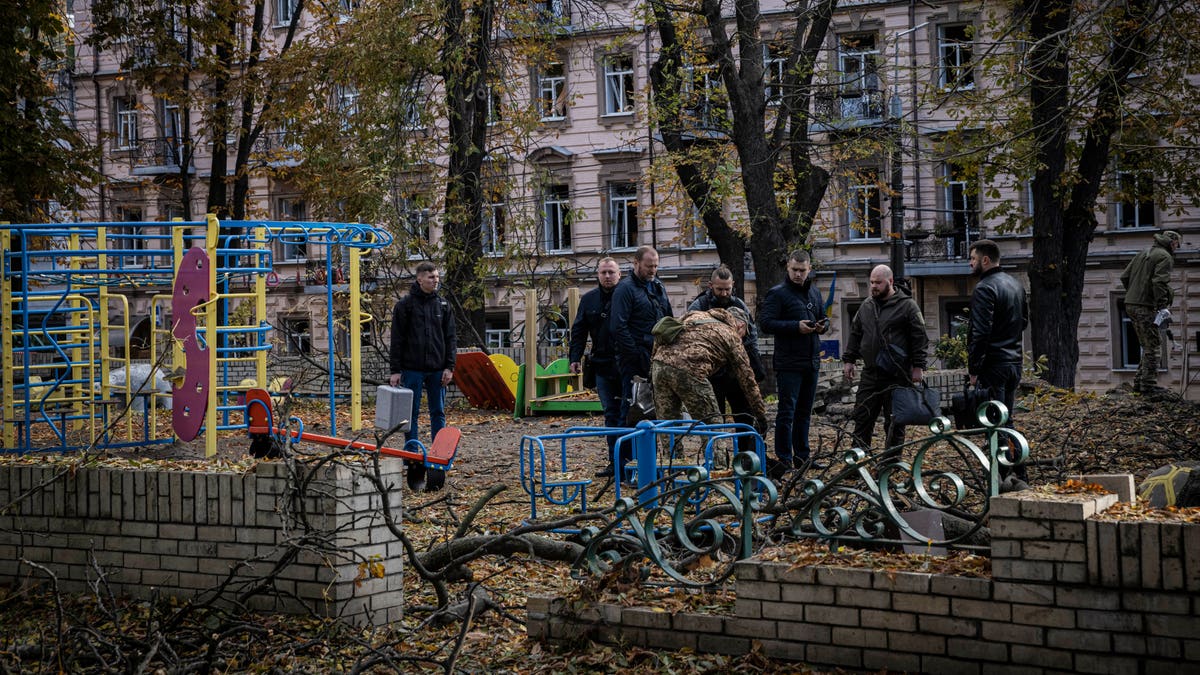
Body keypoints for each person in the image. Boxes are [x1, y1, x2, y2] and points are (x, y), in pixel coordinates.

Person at [651, 308, 769, 450]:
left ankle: (673, 466)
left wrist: (653, 363)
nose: (743, 338)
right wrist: (760, 415)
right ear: (741, 325)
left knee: (668, 426)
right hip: (690, 371)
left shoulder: (694, 315)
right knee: (713, 425)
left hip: (659, 366)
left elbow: (663, 330)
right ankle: (716, 468)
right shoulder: (731, 335)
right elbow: (748, 380)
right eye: (744, 334)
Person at [842, 265, 929, 450]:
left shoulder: (907, 306)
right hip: (871, 373)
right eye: (872, 282)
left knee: (895, 421)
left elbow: (919, 338)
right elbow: (856, 334)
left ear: (889, 282)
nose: (873, 286)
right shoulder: (866, 305)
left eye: (878, 282)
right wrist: (849, 360)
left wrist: (918, 367)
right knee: (862, 416)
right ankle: (859, 457)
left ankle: (891, 461)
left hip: (897, 374)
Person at [759, 249, 829, 472]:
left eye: (802, 270)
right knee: (787, 411)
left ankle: (802, 456)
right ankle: (784, 457)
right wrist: (794, 326)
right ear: (788, 268)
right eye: (794, 270)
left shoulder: (814, 293)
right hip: (788, 362)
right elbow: (766, 323)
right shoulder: (777, 293)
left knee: (804, 412)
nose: (798, 274)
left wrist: (822, 326)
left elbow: (823, 317)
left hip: (811, 360)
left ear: (809, 270)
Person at [389, 260, 456, 491]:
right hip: (412, 368)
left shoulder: (443, 305)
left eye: (437, 277)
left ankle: (439, 454)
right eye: (431, 277)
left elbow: (450, 338)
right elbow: (397, 339)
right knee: (411, 413)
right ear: (419, 279)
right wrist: (395, 370)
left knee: (438, 412)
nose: (435, 281)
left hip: (437, 368)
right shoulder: (405, 306)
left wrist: (450, 366)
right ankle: (412, 454)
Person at [609, 245, 672, 476]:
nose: (653, 270)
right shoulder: (625, 289)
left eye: (656, 266)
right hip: (634, 361)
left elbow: (667, 318)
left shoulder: (657, 286)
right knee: (630, 412)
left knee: (652, 412)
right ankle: (624, 466)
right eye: (649, 266)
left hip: (656, 357)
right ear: (636, 264)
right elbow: (618, 326)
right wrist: (636, 355)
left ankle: (648, 465)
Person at [688, 265, 766, 453]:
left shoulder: (739, 305)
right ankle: (716, 461)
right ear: (710, 286)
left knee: (745, 417)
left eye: (727, 289)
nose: (724, 293)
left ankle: (746, 460)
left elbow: (752, 337)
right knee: (714, 420)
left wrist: (753, 365)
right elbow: (689, 336)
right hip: (711, 374)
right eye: (719, 289)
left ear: (733, 286)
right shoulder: (699, 306)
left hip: (735, 372)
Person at [967, 240, 1028, 478]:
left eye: (973, 259)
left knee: (994, 423)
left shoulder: (984, 288)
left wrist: (974, 369)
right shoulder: (1015, 285)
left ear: (985, 260)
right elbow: (1024, 322)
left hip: (993, 365)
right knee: (1006, 420)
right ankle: (1018, 472)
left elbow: (980, 333)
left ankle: (1003, 476)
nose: (970, 263)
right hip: (1013, 362)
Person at [569, 257, 623, 475]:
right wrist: (574, 357)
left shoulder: (627, 296)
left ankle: (632, 462)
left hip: (628, 364)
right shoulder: (589, 300)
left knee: (630, 414)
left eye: (611, 272)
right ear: (598, 275)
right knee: (610, 413)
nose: (608, 276)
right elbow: (579, 330)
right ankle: (615, 462)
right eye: (604, 272)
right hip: (602, 364)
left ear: (619, 274)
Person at [1120, 230, 1182, 394]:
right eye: (1177, 245)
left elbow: (1124, 277)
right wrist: (1162, 306)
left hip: (1130, 304)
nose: (1177, 248)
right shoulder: (1164, 257)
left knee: (1147, 345)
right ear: (1172, 243)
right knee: (1154, 346)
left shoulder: (1143, 253)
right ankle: (1148, 386)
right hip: (1145, 306)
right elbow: (1159, 282)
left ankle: (1140, 384)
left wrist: (1134, 293)